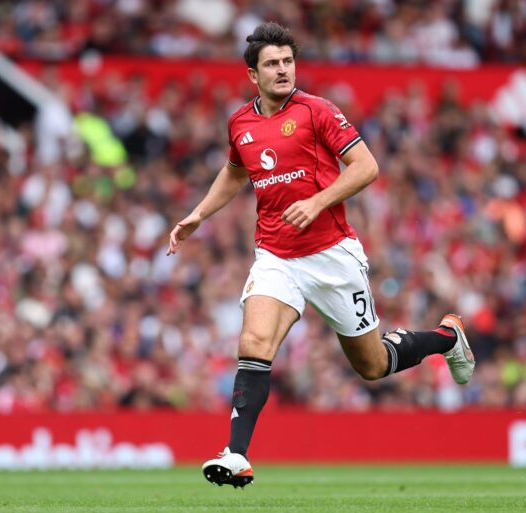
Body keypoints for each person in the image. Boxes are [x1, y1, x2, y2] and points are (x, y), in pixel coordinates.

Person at [166, 22, 475, 488]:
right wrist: (198, 214)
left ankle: (447, 338)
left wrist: (317, 201)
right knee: (254, 342)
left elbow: (366, 166)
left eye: (288, 61)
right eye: (272, 64)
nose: (283, 70)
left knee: (372, 365)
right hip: (276, 255)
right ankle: (236, 454)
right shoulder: (240, 123)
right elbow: (235, 172)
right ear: (253, 75)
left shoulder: (318, 111)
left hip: (331, 255)